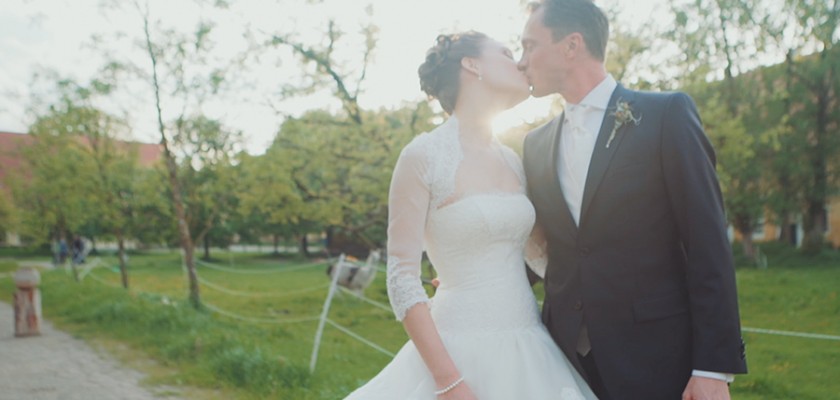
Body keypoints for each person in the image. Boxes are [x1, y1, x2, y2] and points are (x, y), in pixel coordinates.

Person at [344, 32, 595, 400]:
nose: (521, 63)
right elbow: (401, 277)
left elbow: (541, 256)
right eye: (509, 52)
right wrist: (449, 383)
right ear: (471, 64)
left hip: (531, 347)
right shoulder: (423, 156)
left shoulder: (514, 159)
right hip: (457, 354)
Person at [517, 0, 748, 399]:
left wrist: (713, 366)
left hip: (655, 357)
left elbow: (707, 243)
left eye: (529, 46)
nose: (522, 61)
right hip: (563, 360)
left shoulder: (665, 116)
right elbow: (549, 246)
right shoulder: (534, 145)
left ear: (572, 46)